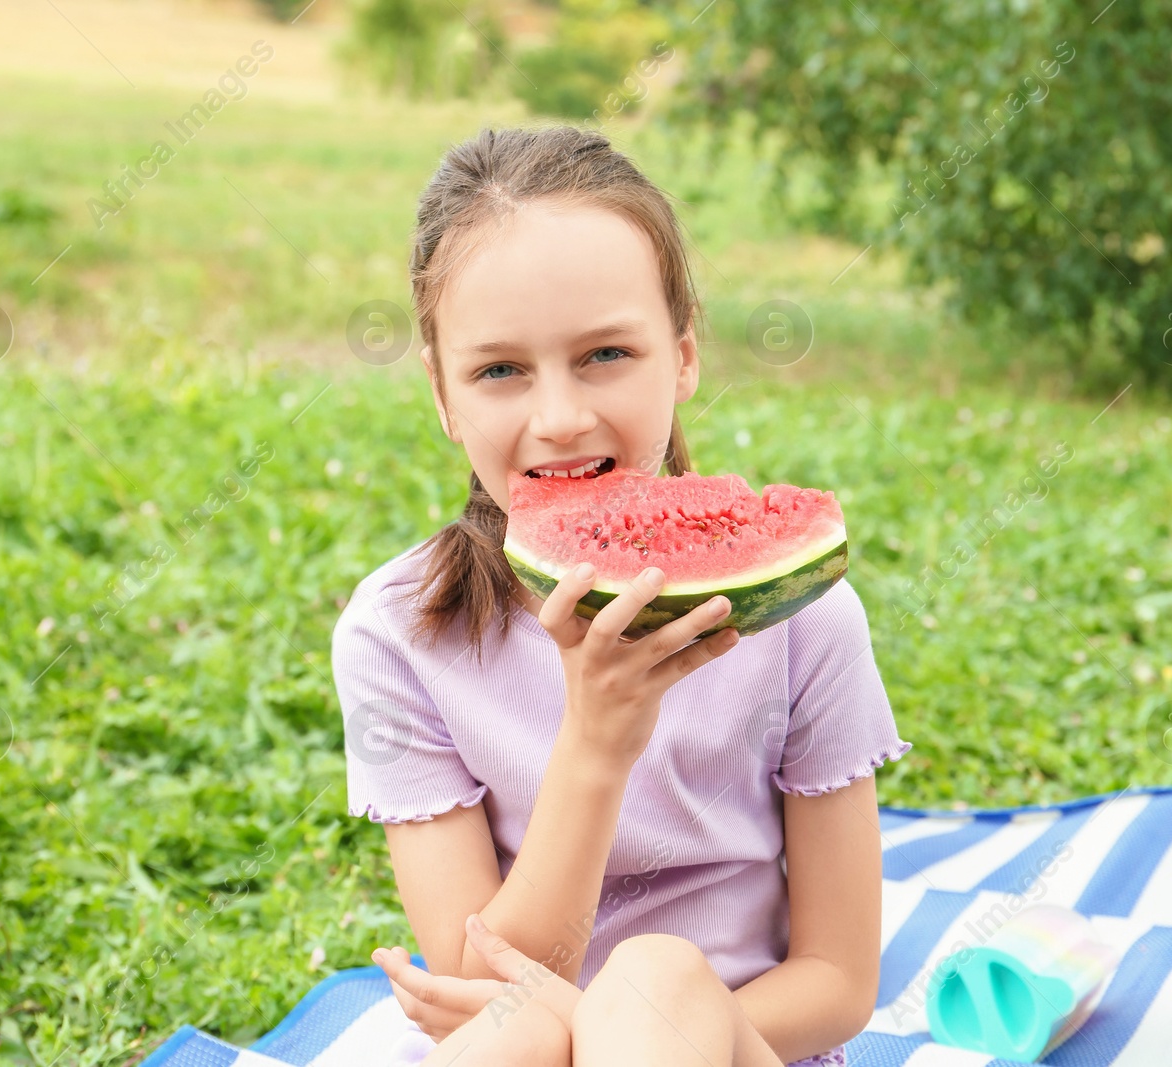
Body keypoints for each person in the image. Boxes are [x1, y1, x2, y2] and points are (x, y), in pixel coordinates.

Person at [332, 123, 911, 1067]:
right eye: (500, 370)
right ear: (442, 394)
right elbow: (487, 983)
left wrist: (631, 1023)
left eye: (607, 354)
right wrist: (598, 739)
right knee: (513, 1034)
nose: (559, 418)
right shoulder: (396, 635)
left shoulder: (805, 620)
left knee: (648, 978)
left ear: (682, 356)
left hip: (738, 1044)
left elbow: (840, 982)